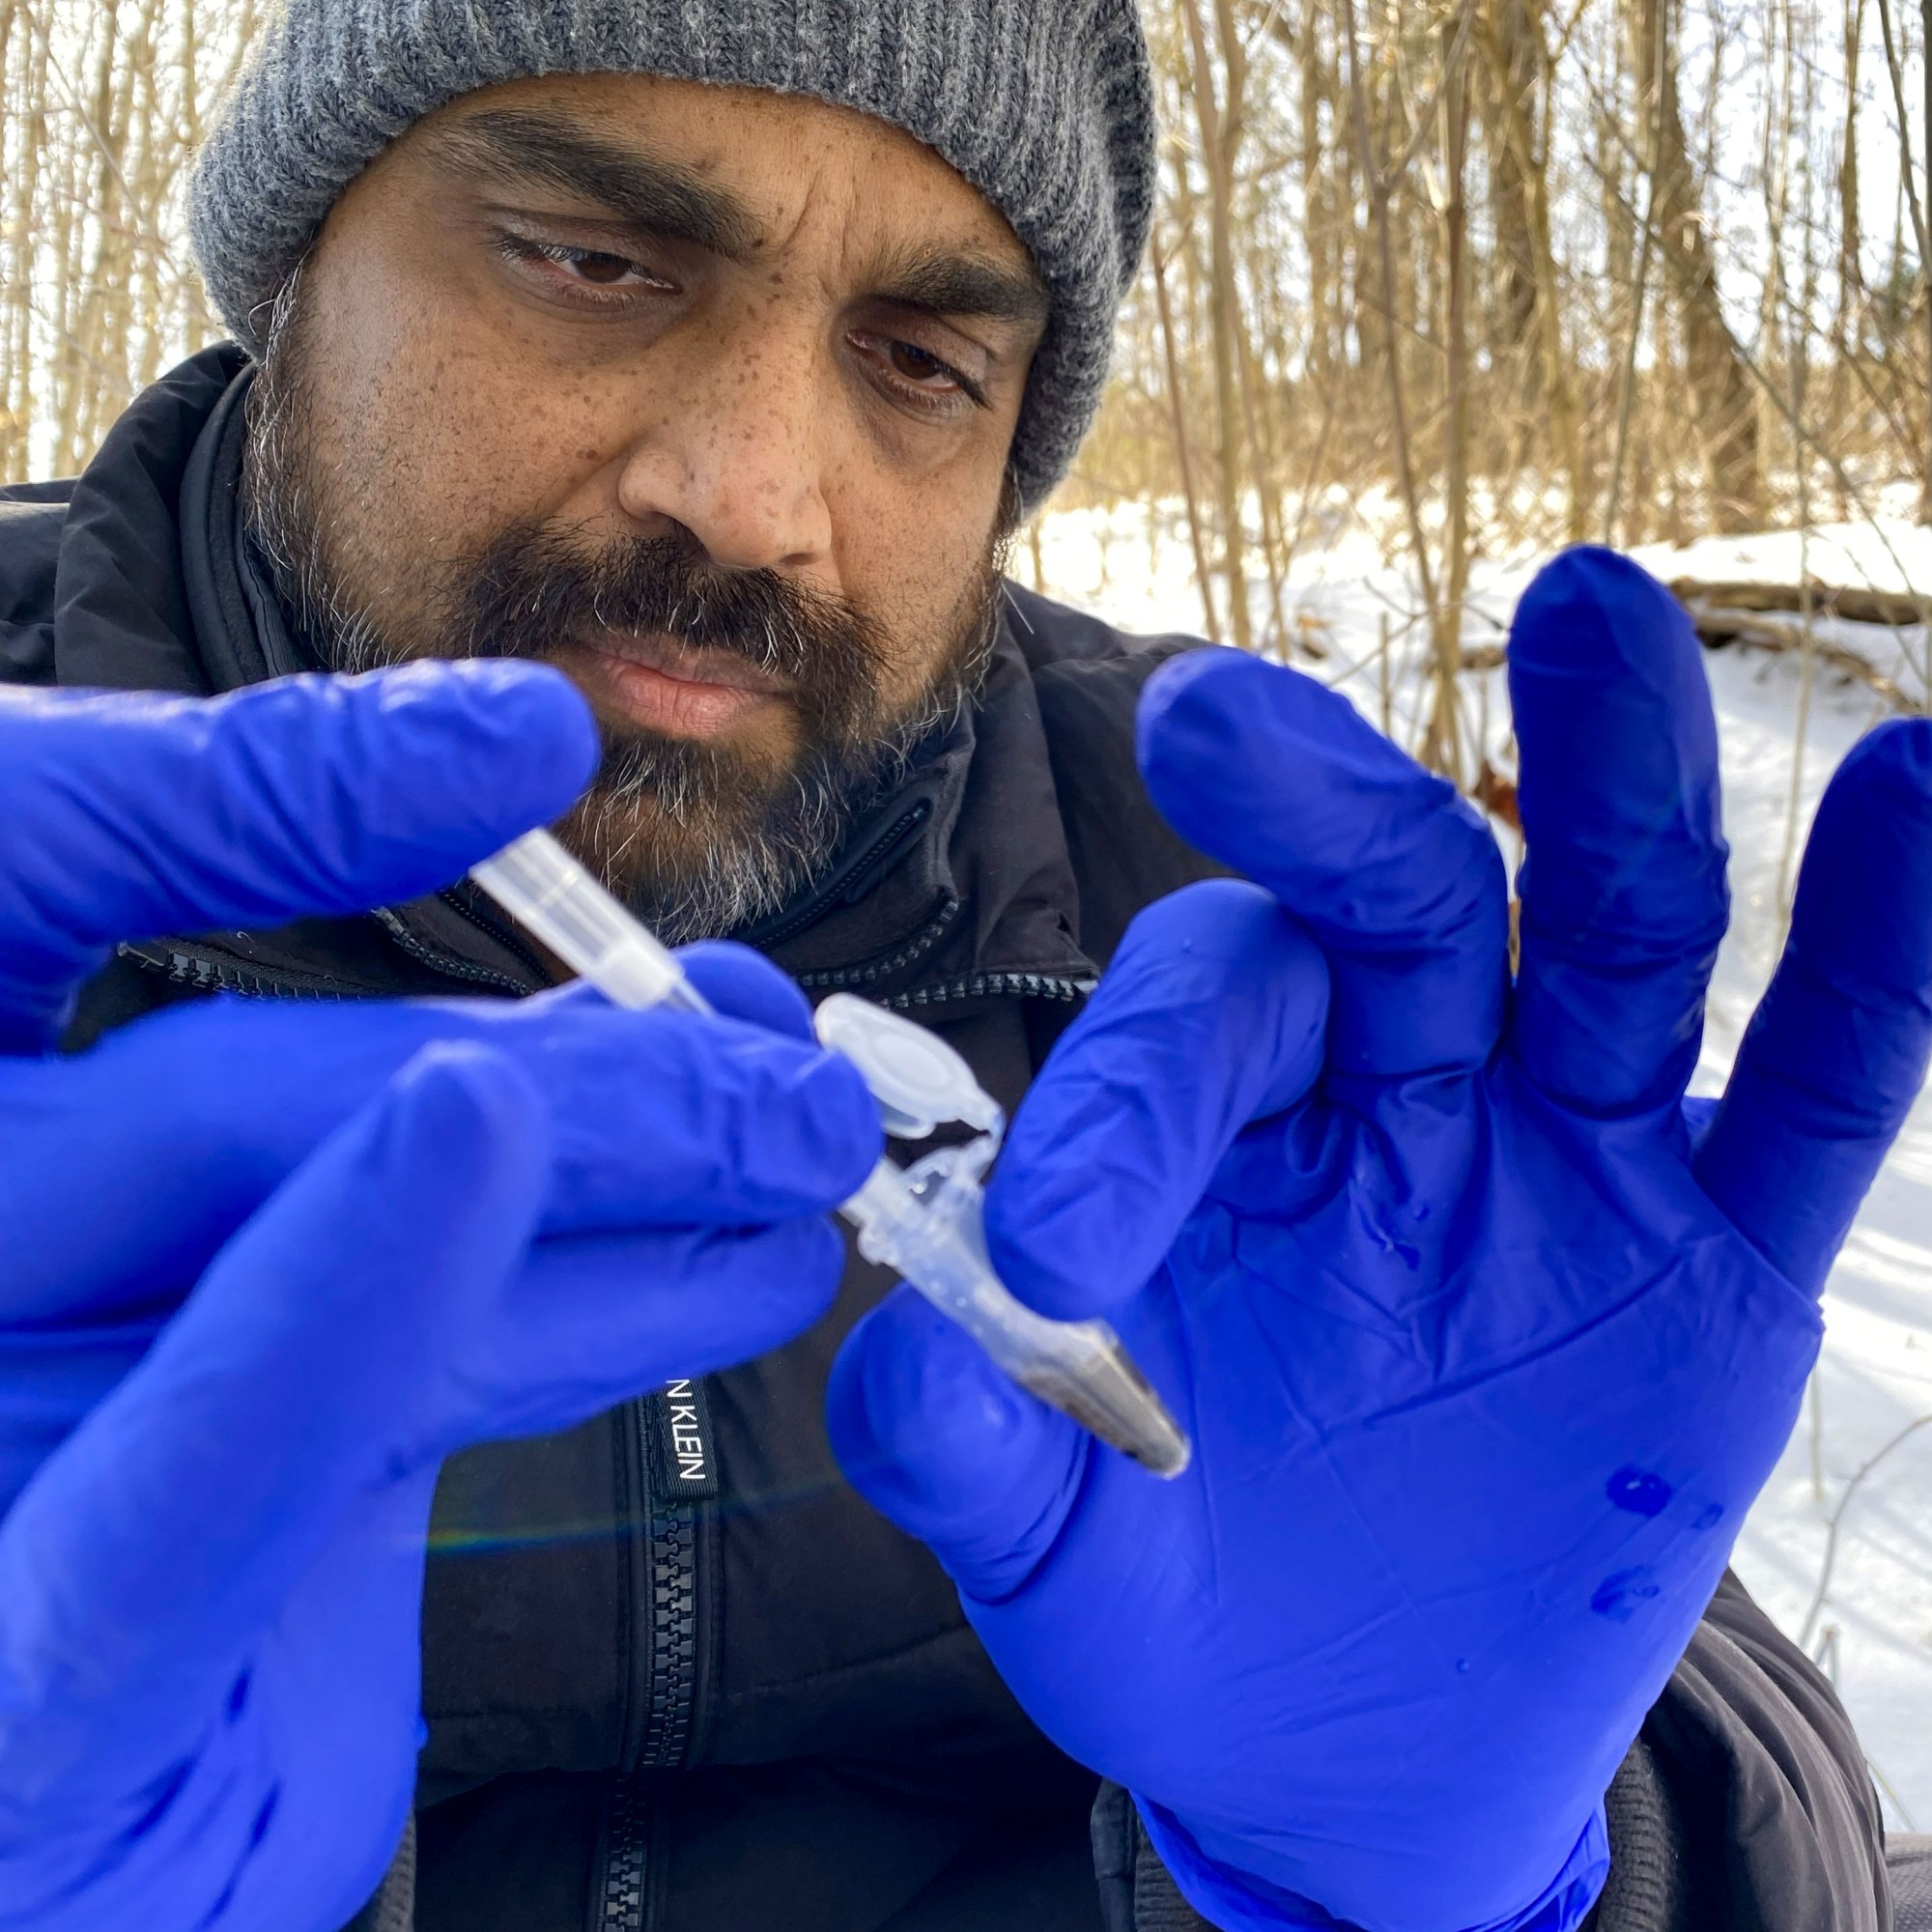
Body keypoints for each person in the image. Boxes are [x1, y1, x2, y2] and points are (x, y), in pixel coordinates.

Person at [0, 3, 1927, 1930]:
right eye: (592, 263)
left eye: (919, 362)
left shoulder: (1208, 901)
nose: (752, 492)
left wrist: (1559, 1868)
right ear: (299, 259)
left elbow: (1649, 1679)